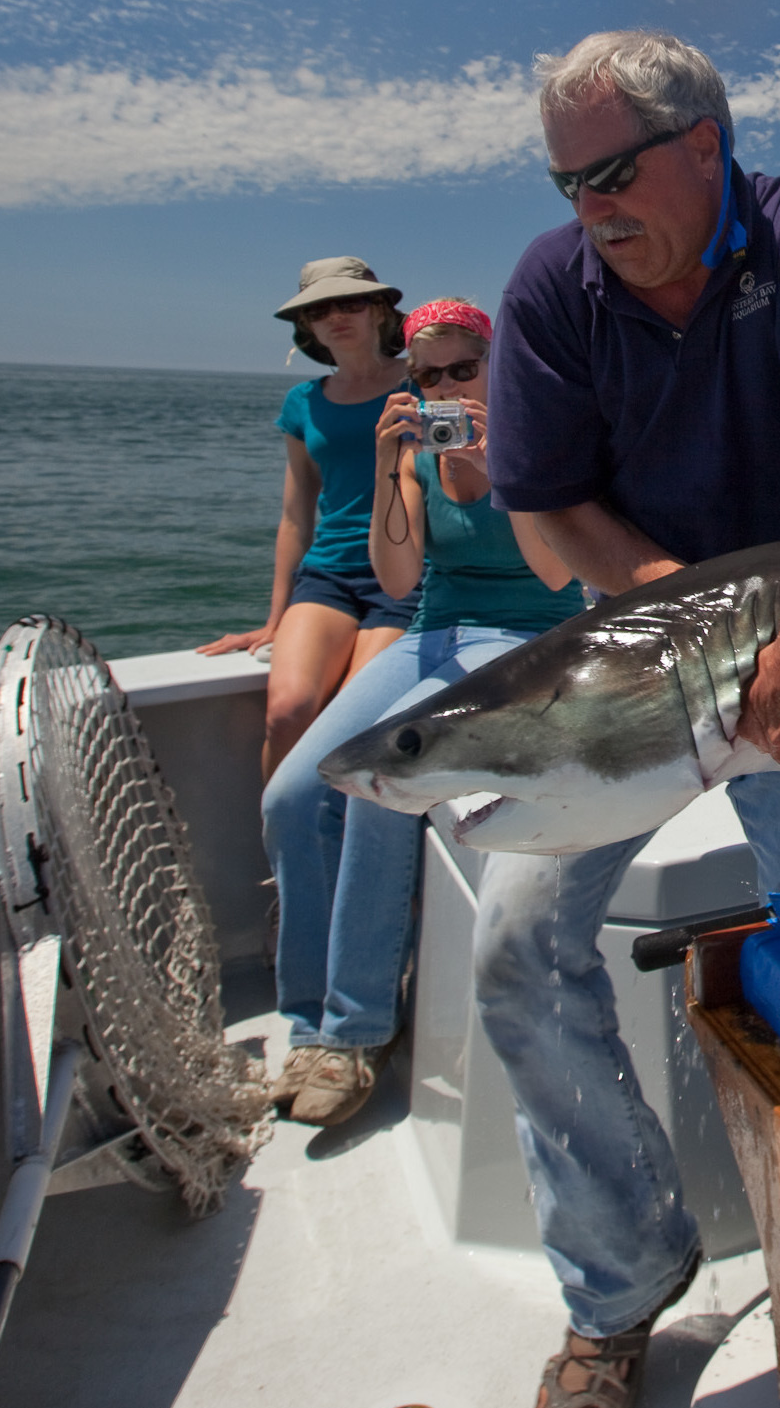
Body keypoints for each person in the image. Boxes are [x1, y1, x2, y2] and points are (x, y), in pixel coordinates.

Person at [479, 28, 780, 1408]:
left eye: (610, 171)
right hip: (648, 659)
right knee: (514, 942)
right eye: (565, 183)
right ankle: (621, 1278)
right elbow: (545, 501)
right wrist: (687, 611)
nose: (587, 208)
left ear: (703, 142)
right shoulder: (554, 288)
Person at [257, 298, 582, 1128]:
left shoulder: (539, 435)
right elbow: (397, 582)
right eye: (424, 373)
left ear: (494, 365)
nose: (442, 386)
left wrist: (500, 465)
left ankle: (355, 1031)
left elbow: (554, 577)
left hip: (524, 638)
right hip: (434, 628)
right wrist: (383, 470)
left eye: (460, 369)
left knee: (380, 787)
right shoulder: (412, 454)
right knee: (292, 795)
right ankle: (305, 1017)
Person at [201, 257, 419, 780]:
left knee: (351, 723)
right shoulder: (303, 402)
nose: (336, 316)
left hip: (409, 576)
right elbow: (296, 516)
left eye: (351, 302)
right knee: (288, 711)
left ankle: (339, 845)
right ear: (307, 325)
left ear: (380, 312)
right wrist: (276, 617)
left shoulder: (428, 381)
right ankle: (281, 849)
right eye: (320, 309)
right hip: (328, 577)